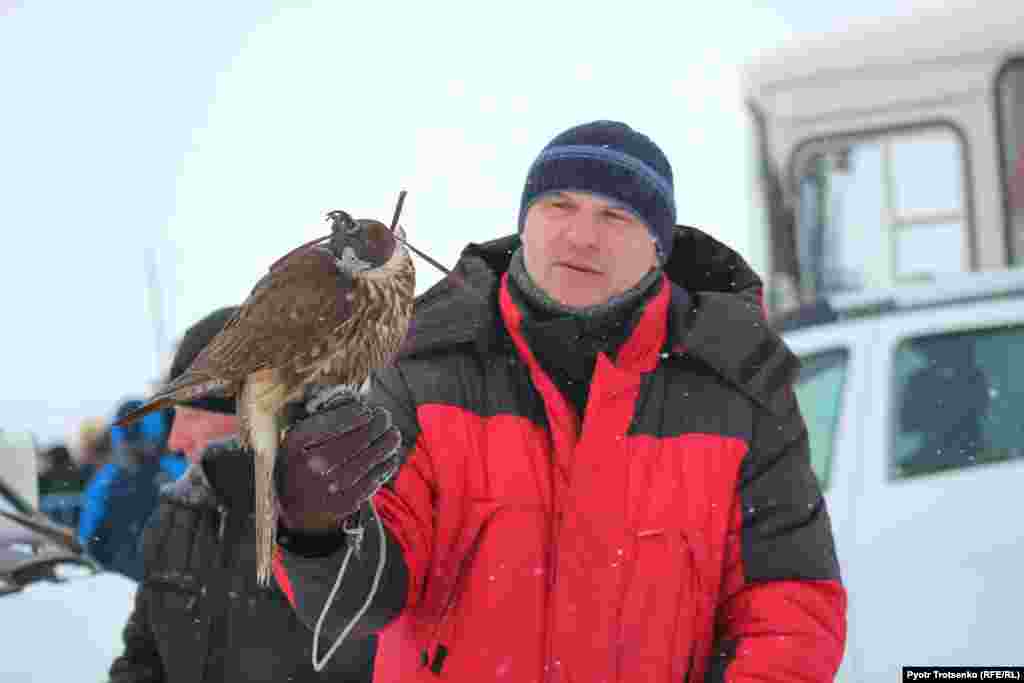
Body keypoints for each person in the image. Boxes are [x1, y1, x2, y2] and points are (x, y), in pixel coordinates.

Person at [272, 120, 848, 682]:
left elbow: (790, 608)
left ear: (659, 248)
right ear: (525, 222)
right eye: (559, 206)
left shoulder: (738, 390)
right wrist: (317, 530)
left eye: (616, 216)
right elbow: (362, 604)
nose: (581, 236)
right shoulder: (424, 369)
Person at [108, 306, 376, 683]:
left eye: (193, 415)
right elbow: (144, 658)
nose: (174, 440)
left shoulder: (351, 519)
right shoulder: (176, 515)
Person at [78, 398, 185, 580]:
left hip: (129, 581)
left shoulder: (108, 478)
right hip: (161, 580)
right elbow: (89, 534)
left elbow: (88, 535)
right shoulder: (178, 471)